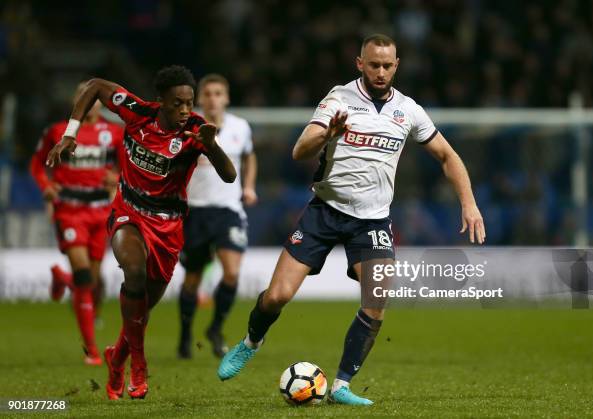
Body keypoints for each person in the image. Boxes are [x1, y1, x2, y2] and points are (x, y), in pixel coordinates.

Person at [217, 34, 486, 405]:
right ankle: (251, 341)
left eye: (387, 65)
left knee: (377, 300)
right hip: (324, 213)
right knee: (277, 296)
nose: (380, 71)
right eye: (373, 64)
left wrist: (468, 204)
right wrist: (328, 134)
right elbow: (299, 151)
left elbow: (447, 156)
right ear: (360, 63)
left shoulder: (408, 111)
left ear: (396, 66)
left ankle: (341, 385)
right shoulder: (339, 99)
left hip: (372, 222)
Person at [46, 65, 236, 400]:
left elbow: (230, 175)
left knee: (142, 307)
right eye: (177, 103)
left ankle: (116, 359)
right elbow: (94, 86)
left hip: (169, 226)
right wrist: (70, 133)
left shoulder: (195, 131)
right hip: (128, 213)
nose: (184, 110)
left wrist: (213, 146)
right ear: (160, 101)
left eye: (189, 103)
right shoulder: (137, 113)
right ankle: (139, 365)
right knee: (133, 272)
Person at [30, 82, 122, 365]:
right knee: (84, 276)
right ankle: (92, 350)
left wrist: (117, 178)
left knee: (91, 282)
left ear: (101, 102)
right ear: (75, 99)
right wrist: (46, 185)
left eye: (94, 98)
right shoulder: (58, 132)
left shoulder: (115, 133)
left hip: (100, 211)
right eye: (83, 95)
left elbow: (126, 166)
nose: (90, 102)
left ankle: (62, 278)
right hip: (69, 209)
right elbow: (37, 164)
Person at [177, 74, 257, 359]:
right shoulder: (188, 128)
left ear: (226, 98)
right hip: (195, 211)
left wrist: (248, 187)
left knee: (232, 273)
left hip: (228, 211)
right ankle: (185, 334)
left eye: (218, 93)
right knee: (192, 279)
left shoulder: (240, 127)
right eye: (208, 93)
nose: (213, 98)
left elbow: (249, 157)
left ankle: (215, 328)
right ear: (200, 99)